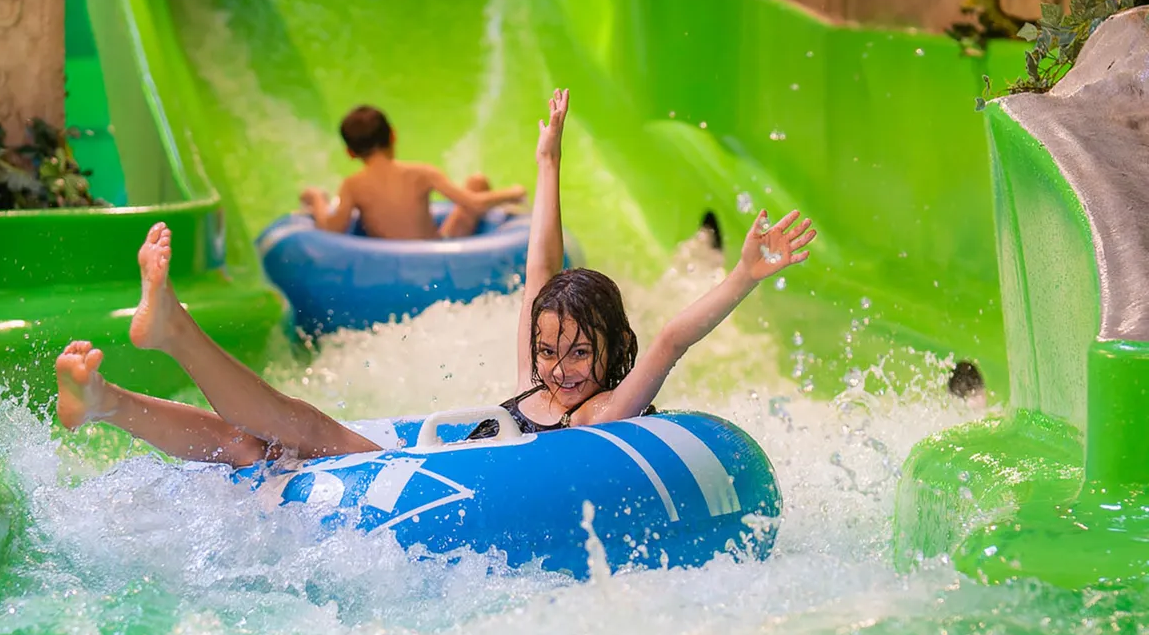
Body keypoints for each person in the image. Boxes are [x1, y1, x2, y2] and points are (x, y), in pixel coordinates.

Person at [54, 89, 817, 463]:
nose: (557, 367)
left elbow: (674, 340)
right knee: (251, 445)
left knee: (297, 433)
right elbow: (540, 267)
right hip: (429, 469)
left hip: (440, 479)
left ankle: (176, 337)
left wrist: (745, 275)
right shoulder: (535, 381)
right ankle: (108, 399)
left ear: (613, 350)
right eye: (550, 349)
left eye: (578, 354)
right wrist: (547, 162)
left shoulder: (602, 415)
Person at [299, 105, 525, 240]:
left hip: (393, 260)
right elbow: (474, 203)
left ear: (350, 152)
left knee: (476, 181)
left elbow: (332, 229)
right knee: (478, 183)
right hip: (436, 253)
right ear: (393, 135)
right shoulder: (421, 172)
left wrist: (318, 200)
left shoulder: (352, 185)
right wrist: (514, 192)